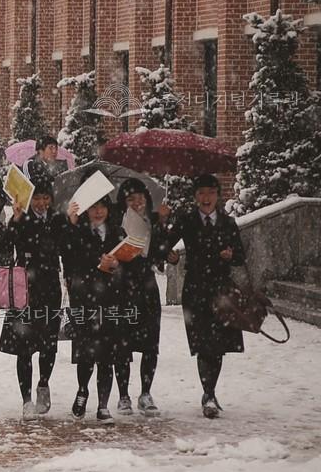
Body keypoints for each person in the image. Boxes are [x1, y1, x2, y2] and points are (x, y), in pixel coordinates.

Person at [158, 174, 246, 419]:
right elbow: (164, 245)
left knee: (218, 345)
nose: (206, 198)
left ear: (217, 196)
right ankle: (208, 393)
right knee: (203, 343)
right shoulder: (187, 221)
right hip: (196, 288)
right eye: (201, 193)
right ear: (195, 197)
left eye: (210, 193)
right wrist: (164, 227)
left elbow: (241, 256)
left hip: (221, 289)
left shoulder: (228, 224)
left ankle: (210, 392)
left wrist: (230, 255)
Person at [4, 179, 68, 420]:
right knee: (24, 346)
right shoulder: (22, 218)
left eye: (45, 198)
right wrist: (16, 220)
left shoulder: (57, 219)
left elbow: (68, 246)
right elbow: (4, 244)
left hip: (50, 285)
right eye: (37, 199)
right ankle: (26, 399)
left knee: (49, 343)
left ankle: (43, 383)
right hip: (25, 286)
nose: (41, 203)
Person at [64, 195, 131, 423]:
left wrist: (116, 265)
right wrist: (96, 262)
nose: (98, 211)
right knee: (86, 354)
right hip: (85, 300)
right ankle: (82, 390)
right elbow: (70, 259)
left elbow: (128, 267)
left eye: (102, 206)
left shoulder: (117, 233)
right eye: (93, 207)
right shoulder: (77, 231)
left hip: (111, 301)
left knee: (107, 357)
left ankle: (103, 405)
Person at [112, 178, 165, 417]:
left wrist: (163, 222)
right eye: (131, 199)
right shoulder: (116, 223)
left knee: (150, 344)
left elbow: (162, 251)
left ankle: (146, 392)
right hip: (123, 287)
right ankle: (123, 395)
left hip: (147, 286)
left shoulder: (153, 221)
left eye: (140, 198)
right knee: (122, 343)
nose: (136, 203)